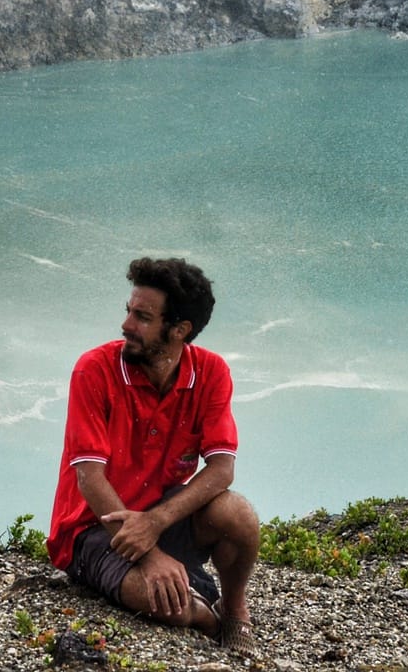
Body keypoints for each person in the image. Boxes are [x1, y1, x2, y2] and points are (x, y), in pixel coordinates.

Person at [47, 256, 260, 652]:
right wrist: (148, 555)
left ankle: (234, 612)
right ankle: (203, 613)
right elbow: (90, 478)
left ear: (180, 330)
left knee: (238, 515)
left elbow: (222, 469)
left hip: (158, 516)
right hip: (91, 527)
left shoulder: (211, 373)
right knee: (167, 607)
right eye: (129, 311)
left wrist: (155, 523)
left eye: (143, 317)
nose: (126, 324)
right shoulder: (94, 370)